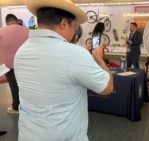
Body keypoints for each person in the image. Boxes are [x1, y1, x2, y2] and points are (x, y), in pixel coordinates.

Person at [14, 0, 113, 140]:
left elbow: (51, 69)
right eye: (74, 26)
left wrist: (79, 55)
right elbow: (107, 87)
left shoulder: (21, 51)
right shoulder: (75, 55)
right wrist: (98, 58)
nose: (74, 31)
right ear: (64, 23)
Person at [0, 14, 29, 113]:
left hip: (8, 65)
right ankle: (28, 106)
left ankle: (16, 107)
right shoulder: (27, 31)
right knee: (26, 85)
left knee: (13, 85)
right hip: (26, 63)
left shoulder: (1, 31)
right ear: (16, 20)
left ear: (6, 22)